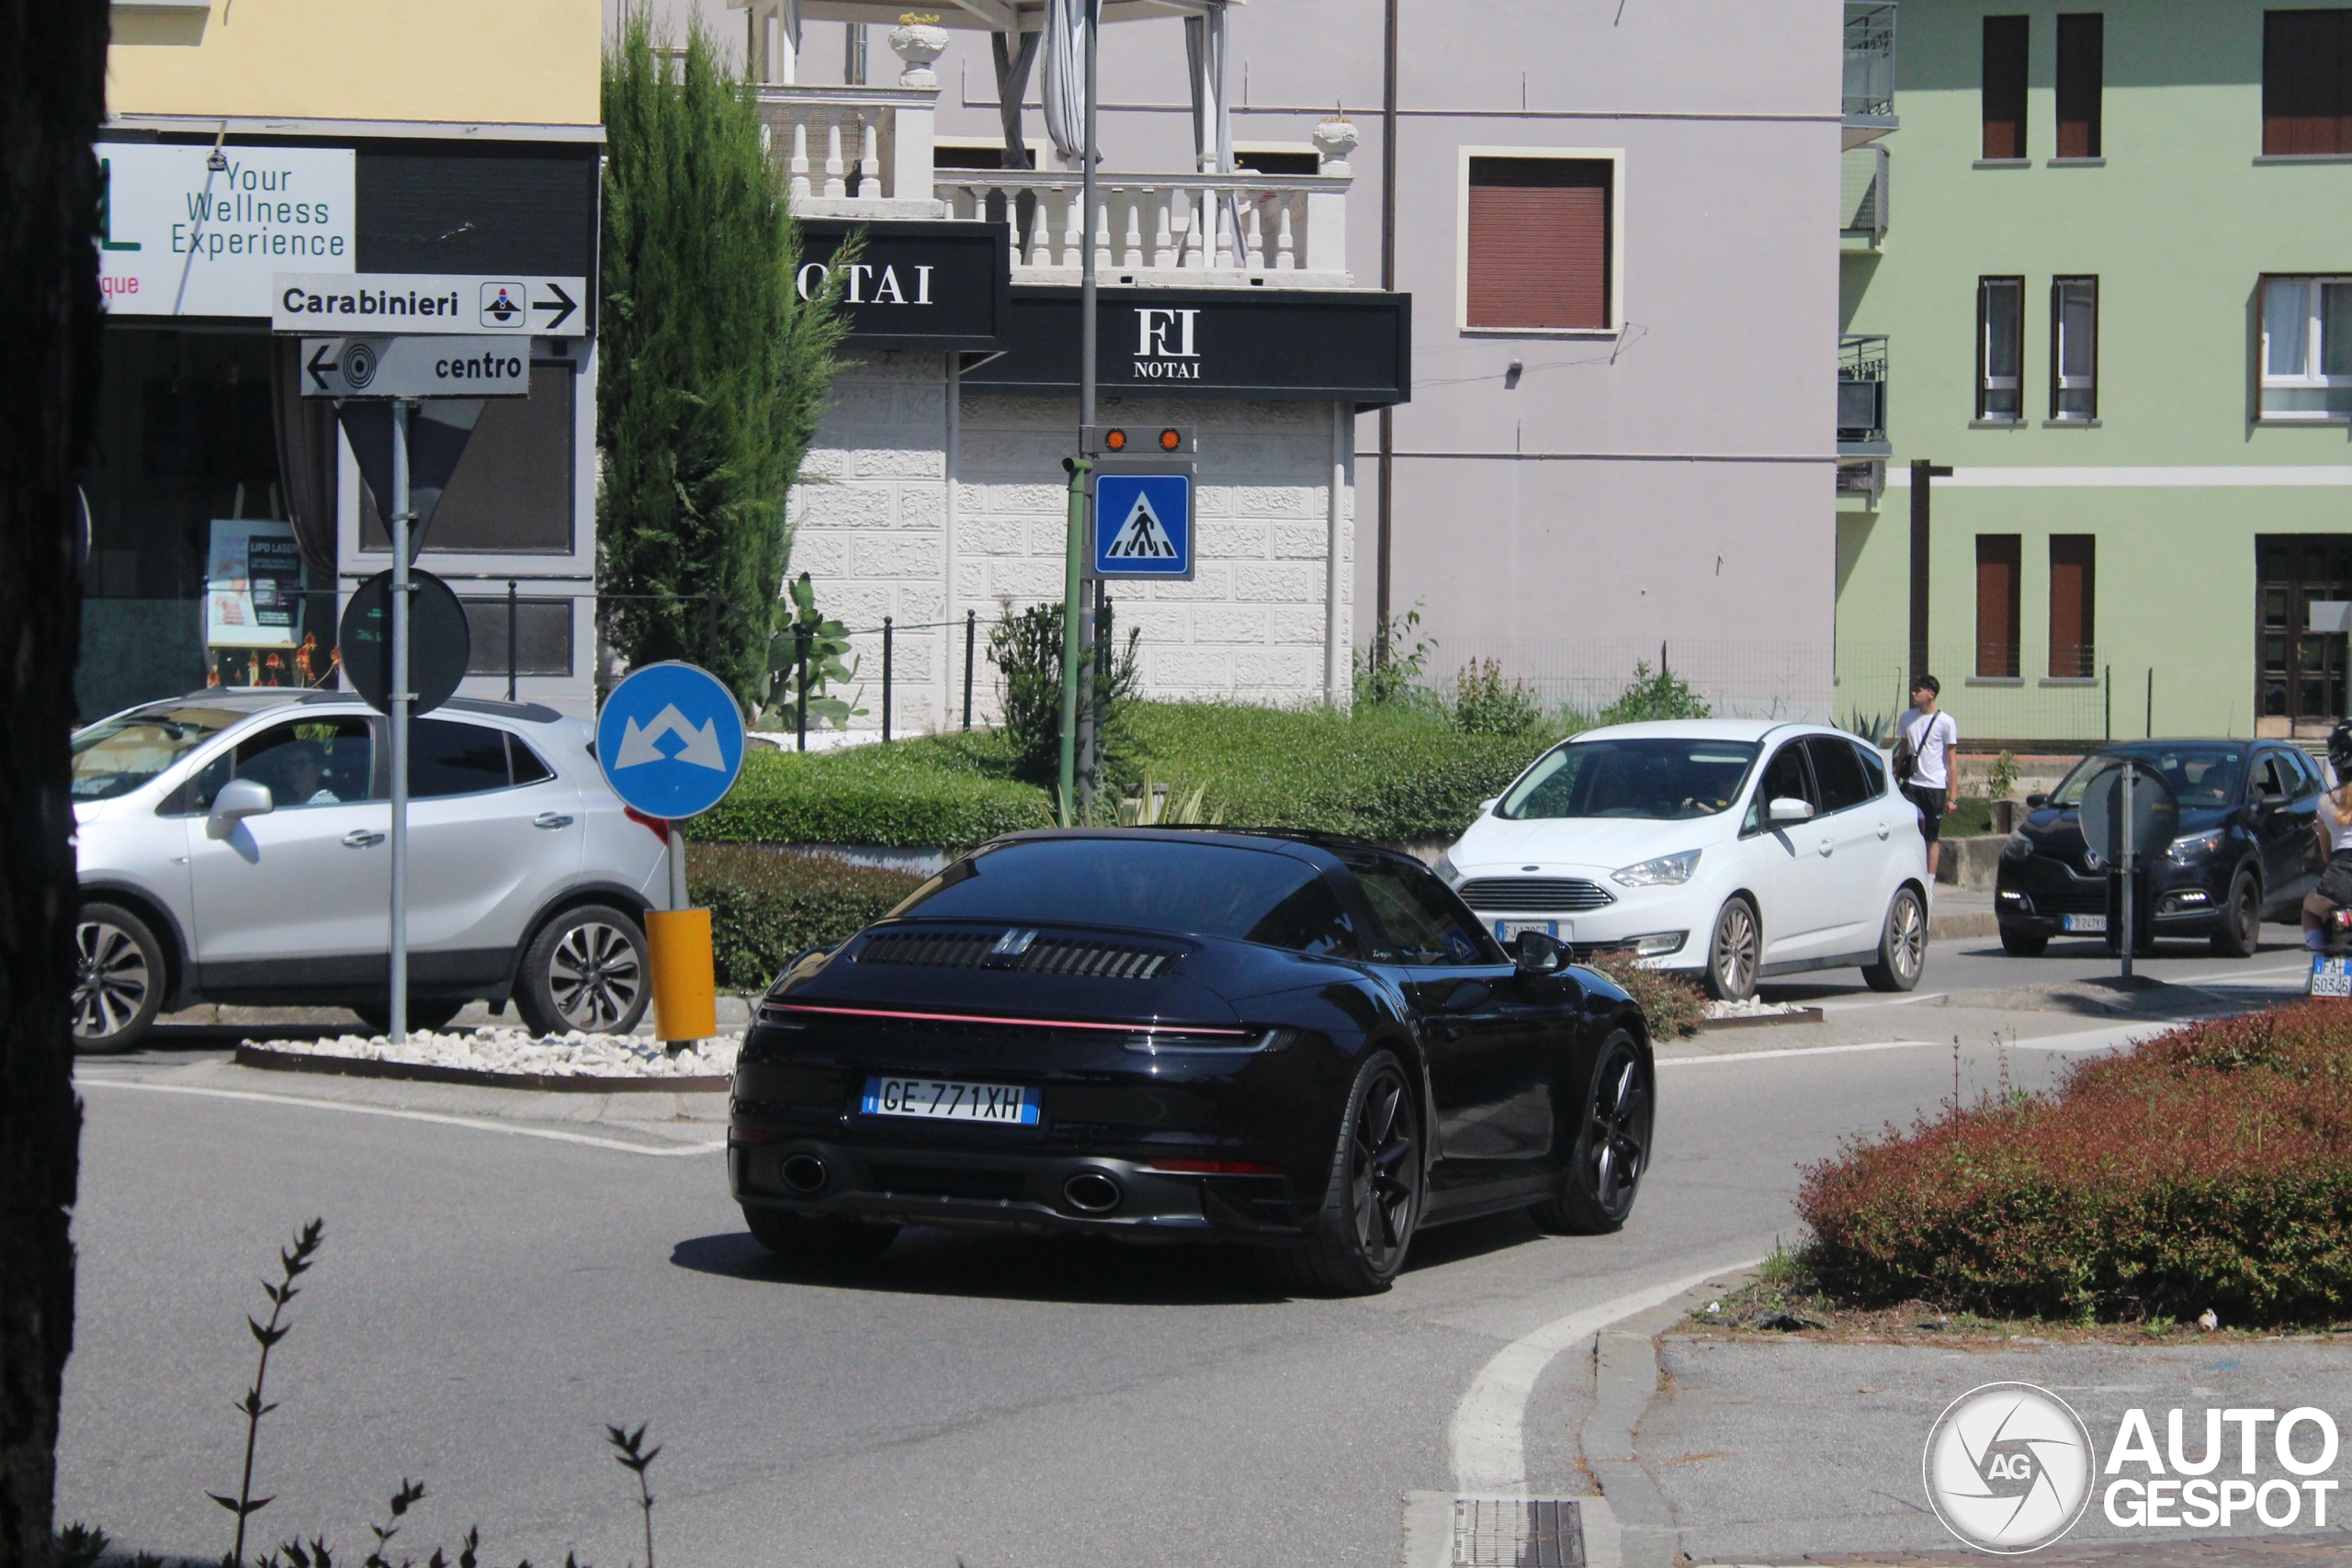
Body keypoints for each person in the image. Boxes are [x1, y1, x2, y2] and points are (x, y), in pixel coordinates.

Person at [1896, 675, 1959, 880]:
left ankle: (1930, 883)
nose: (1914, 694)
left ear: (1931, 694)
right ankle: (1911, 875)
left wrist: (1953, 797)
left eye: (1918, 690)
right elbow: (1903, 752)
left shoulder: (1946, 722)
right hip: (1912, 785)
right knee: (1909, 833)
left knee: (1931, 837)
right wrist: (1896, 779)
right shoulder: (1907, 718)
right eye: (1913, 690)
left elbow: (1952, 761)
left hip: (1935, 787)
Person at [2302, 720, 2352, 950]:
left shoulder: (2325, 802)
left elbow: (2326, 857)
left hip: (2338, 882)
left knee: (2309, 909)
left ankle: (2318, 958)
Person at [277, 741, 340, 806]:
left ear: (319, 769)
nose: (292, 770)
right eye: (289, 764)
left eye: (301, 764)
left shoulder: (325, 803)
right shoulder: (289, 804)